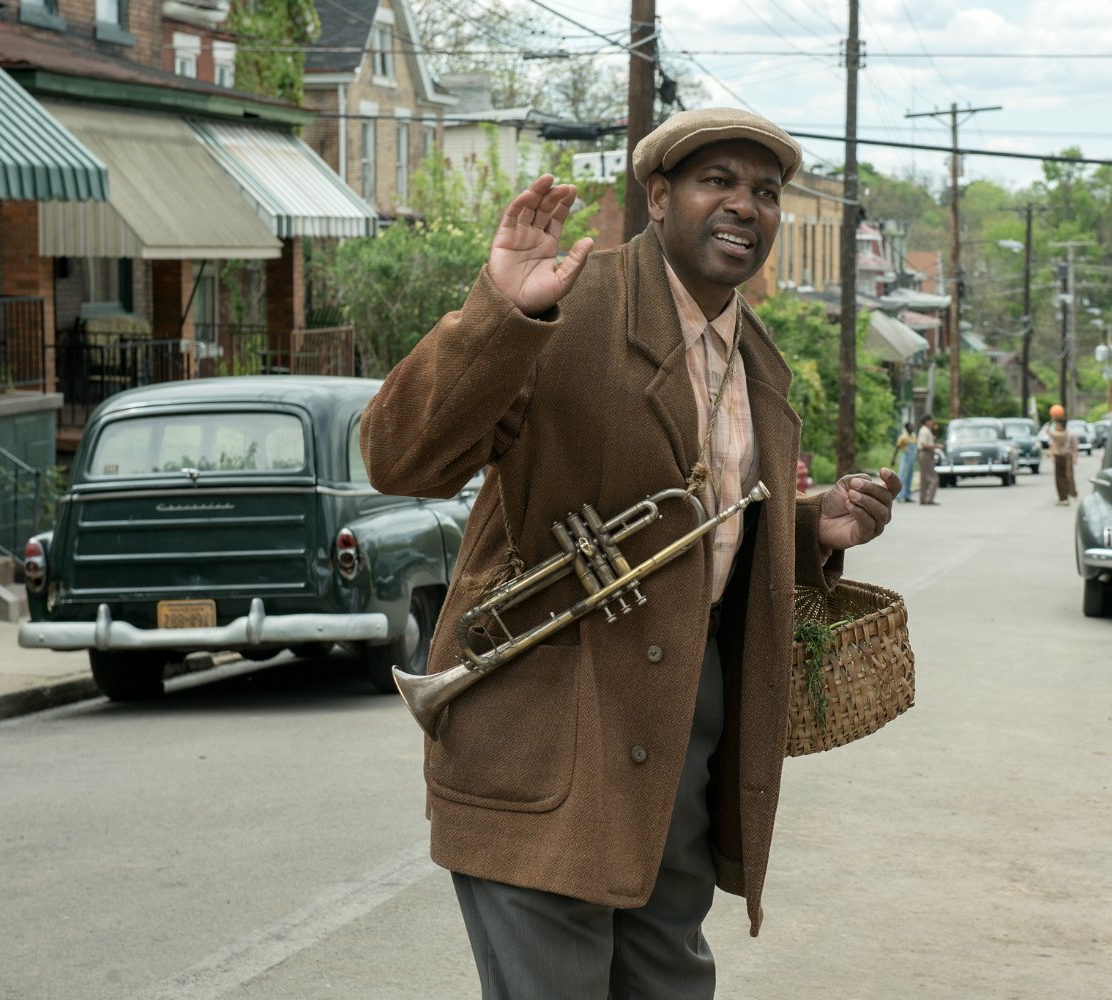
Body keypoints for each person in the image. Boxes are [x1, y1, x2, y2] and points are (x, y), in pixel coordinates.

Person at [358, 108, 902, 1000]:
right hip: (546, 727)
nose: (745, 205)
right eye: (716, 181)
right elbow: (399, 459)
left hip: (682, 728)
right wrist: (499, 311)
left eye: (765, 191)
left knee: (668, 983)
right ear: (657, 197)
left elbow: (700, 518)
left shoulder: (757, 359)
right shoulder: (566, 302)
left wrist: (809, 527)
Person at [1050, 417, 1079, 505]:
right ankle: (1063, 497)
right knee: (1059, 478)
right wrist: (1052, 455)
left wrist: (1074, 457)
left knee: (1068, 476)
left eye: (1057, 425)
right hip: (1058, 456)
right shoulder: (1056, 434)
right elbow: (1052, 445)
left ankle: (1071, 493)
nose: (1056, 427)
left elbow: (1074, 446)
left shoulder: (1070, 434)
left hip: (1067, 456)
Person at [916, 414, 940, 505]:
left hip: (925, 454)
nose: (932, 422)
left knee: (924, 478)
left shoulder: (926, 430)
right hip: (926, 453)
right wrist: (936, 446)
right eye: (931, 420)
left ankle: (923, 499)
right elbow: (923, 445)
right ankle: (929, 499)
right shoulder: (925, 431)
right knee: (933, 478)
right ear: (926, 421)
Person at [891, 422, 917, 503]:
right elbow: (897, 448)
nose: (913, 428)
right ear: (907, 428)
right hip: (905, 459)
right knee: (903, 477)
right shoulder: (903, 437)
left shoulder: (913, 436)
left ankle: (907, 496)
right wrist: (893, 459)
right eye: (911, 427)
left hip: (911, 459)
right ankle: (900, 495)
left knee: (910, 477)